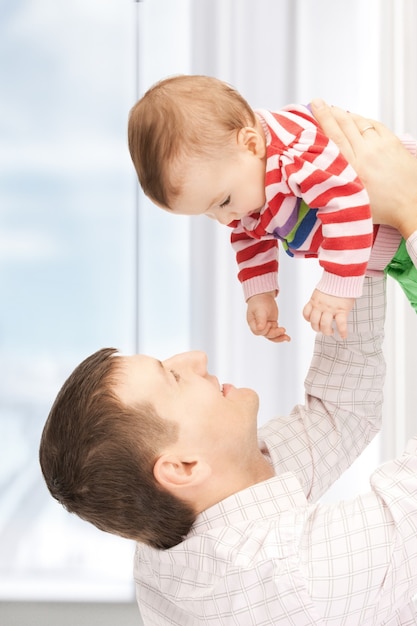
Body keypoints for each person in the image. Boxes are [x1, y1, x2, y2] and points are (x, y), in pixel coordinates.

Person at [39, 110, 417, 623]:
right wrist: (409, 204)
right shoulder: (294, 575)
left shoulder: (178, 523)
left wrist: (356, 258)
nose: (195, 358)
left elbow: (340, 412)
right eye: (172, 376)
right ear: (181, 467)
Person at [128, 74, 417, 342]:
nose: (224, 219)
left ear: (251, 144)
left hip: (404, 218)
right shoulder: (245, 177)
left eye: (223, 202)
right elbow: (249, 233)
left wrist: (335, 287)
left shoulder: (294, 153)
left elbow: (348, 201)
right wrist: (260, 292)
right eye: (208, 213)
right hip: (394, 255)